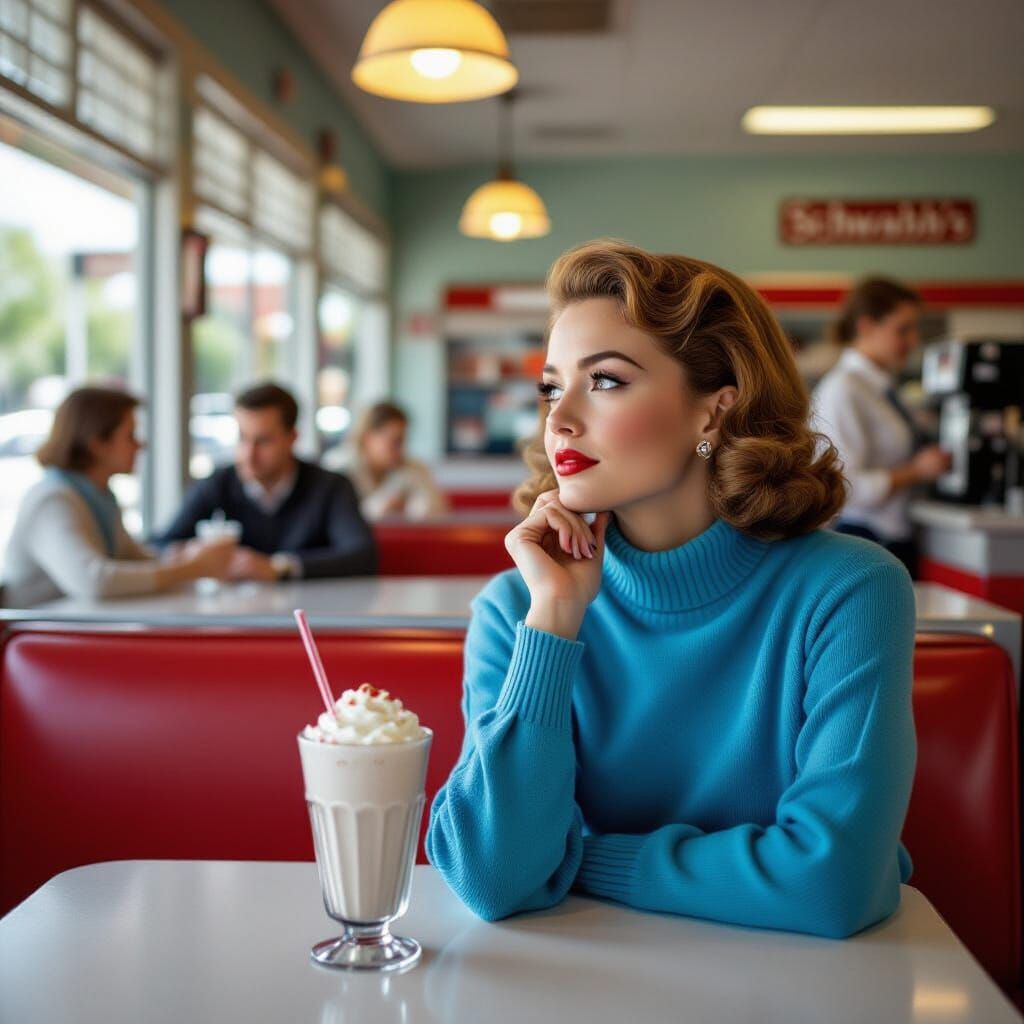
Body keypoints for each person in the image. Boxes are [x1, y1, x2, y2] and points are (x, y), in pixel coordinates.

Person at [427, 241, 917, 939]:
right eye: (550, 386)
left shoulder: (849, 591)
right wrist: (557, 619)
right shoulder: (519, 609)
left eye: (605, 382)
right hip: (573, 990)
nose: (558, 417)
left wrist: (577, 860)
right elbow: (493, 878)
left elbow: (835, 884)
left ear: (714, 413)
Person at [3, 387, 233, 606]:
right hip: (30, 637)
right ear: (98, 445)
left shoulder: (100, 498)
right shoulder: (52, 500)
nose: (141, 444)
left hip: (70, 631)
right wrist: (191, 568)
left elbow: (138, 560)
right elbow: (95, 582)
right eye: (130, 435)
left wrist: (186, 557)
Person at [157, 383, 376, 580]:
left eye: (263, 441)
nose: (248, 454)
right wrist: (187, 552)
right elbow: (159, 544)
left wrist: (279, 567)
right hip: (230, 616)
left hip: (310, 614)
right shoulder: (218, 483)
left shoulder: (331, 487)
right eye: (242, 438)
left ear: (292, 438)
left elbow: (361, 555)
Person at [812, 278, 951, 576]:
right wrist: (917, 471)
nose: (913, 341)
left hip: (892, 541)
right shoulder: (843, 389)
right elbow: (841, 486)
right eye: (903, 330)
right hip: (865, 542)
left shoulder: (880, 389)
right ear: (866, 326)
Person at [323, 401, 449, 520]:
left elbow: (439, 514)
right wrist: (383, 505)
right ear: (368, 438)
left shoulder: (413, 468)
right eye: (395, 441)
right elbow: (337, 520)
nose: (401, 449)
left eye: (403, 441)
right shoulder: (338, 468)